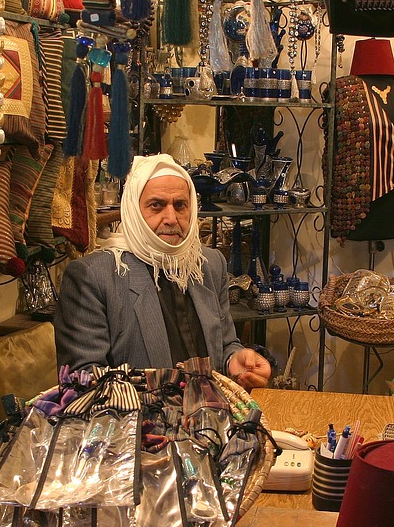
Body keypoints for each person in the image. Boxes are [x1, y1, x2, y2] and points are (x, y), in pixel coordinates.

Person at [54, 153, 273, 389]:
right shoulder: (95, 276)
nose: (171, 218)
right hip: (139, 420)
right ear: (133, 210)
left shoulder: (209, 265)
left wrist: (234, 360)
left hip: (210, 418)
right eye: (156, 205)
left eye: (180, 205)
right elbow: (83, 380)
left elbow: (225, 343)